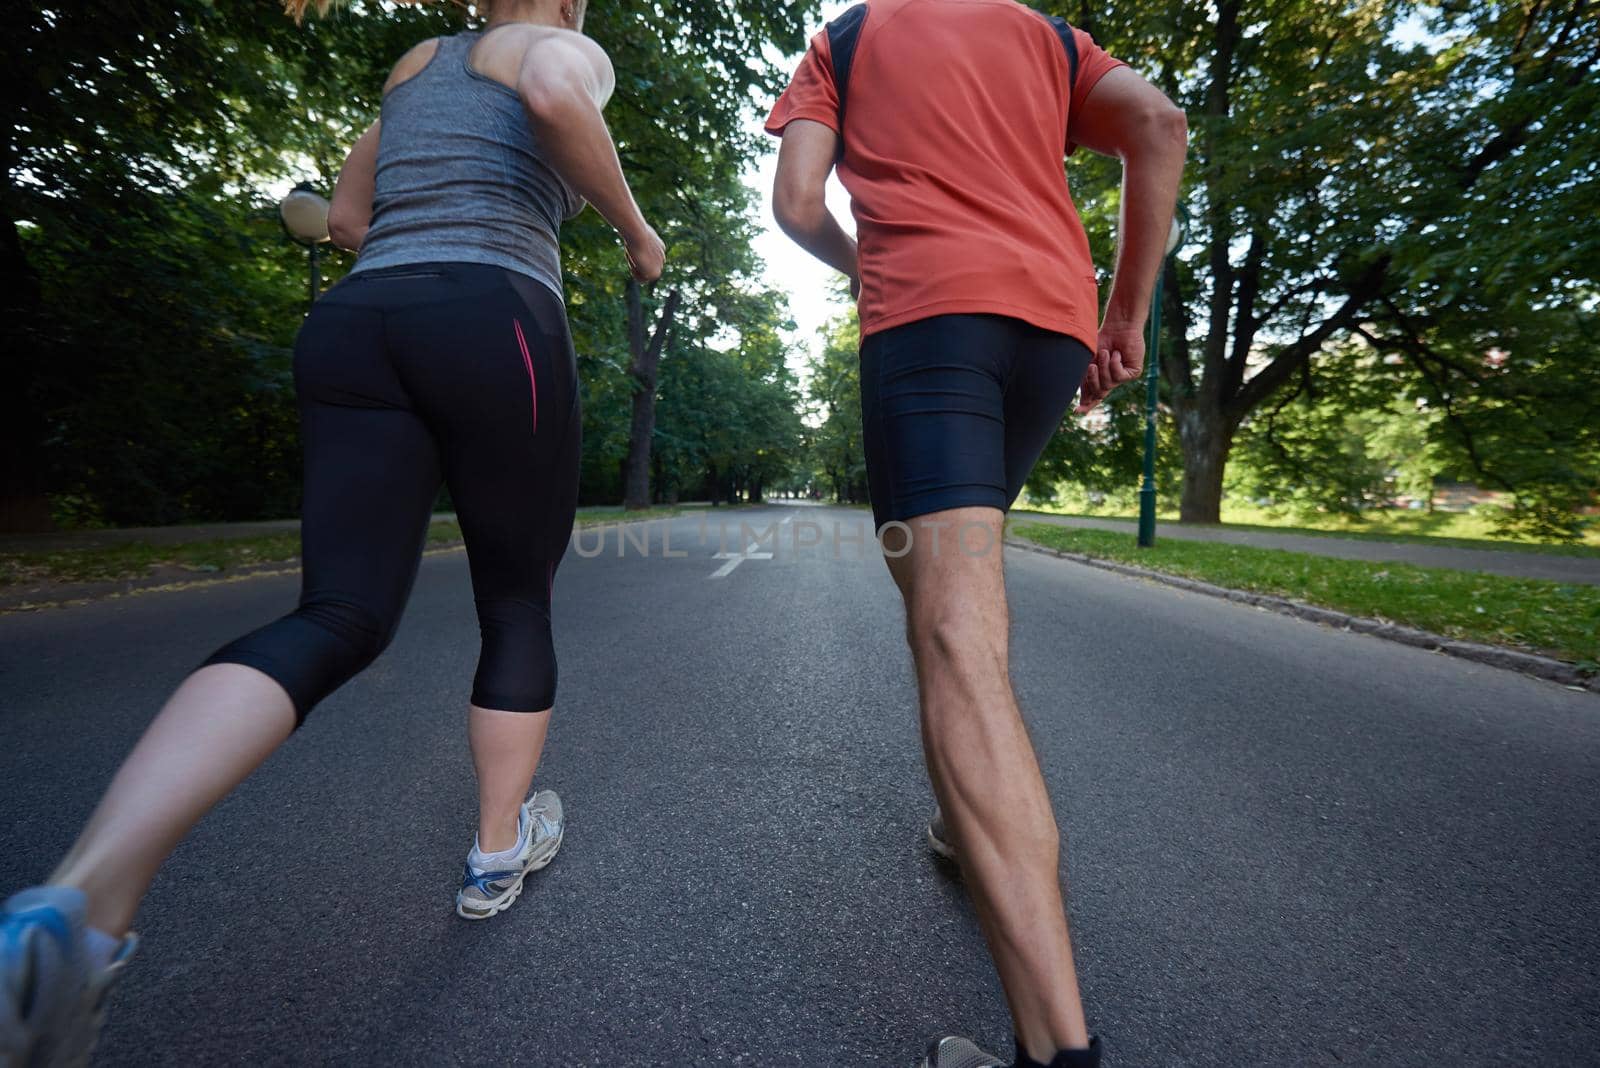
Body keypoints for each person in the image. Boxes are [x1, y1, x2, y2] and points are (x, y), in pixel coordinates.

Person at [1, 0, 664, 1062]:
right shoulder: (558, 44)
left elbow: (348, 221)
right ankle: (498, 850)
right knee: (516, 598)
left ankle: (81, 898)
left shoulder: (415, 70)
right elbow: (549, 91)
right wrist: (633, 228)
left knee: (338, 611)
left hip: (359, 326)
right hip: (492, 315)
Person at [767, 2, 1186, 1066]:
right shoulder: (1045, 36)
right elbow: (1159, 126)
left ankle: (1058, 1052)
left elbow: (797, 201)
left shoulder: (848, 39)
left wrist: (868, 263)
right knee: (957, 602)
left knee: (951, 632)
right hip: (1048, 324)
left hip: (928, 322)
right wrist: (1123, 313)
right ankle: (965, 824)